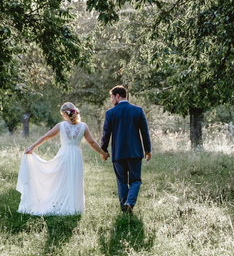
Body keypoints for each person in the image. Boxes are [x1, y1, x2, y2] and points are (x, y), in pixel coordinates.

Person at [16, 102, 109, 215]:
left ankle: (61, 205)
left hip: (64, 155)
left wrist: (32, 147)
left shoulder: (61, 126)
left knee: (61, 181)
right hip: (76, 156)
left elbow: (46, 137)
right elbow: (92, 143)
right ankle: (74, 207)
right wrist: (103, 153)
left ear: (65, 114)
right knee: (74, 180)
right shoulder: (83, 126)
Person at [101, 85, 151, 215]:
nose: (112, 101)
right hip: (135, 152)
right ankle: (129, 203)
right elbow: (144, 132)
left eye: (112, 97)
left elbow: (106, 134)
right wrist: (147, 149)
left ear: (117, 96)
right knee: (135, 180)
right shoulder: (138, 111)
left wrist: (103, 151)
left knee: (121, 181)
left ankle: (124, 206)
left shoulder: (110, 113)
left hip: (118, 153)